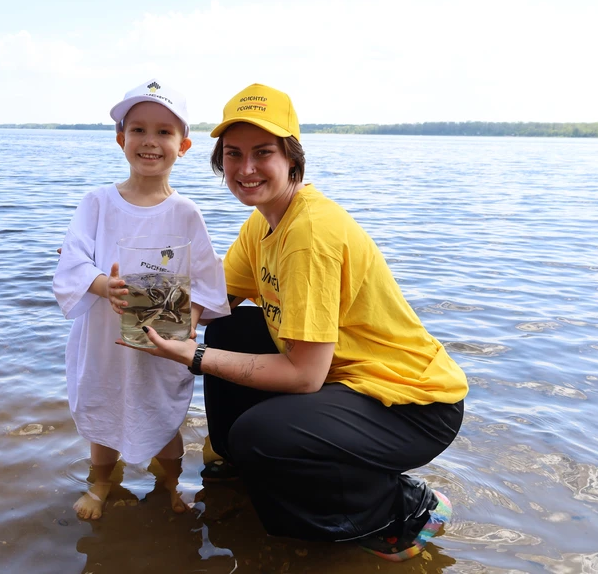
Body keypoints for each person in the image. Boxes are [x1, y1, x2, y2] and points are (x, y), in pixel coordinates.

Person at [120, 83, 468, 562]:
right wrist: (114, 288)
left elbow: (305, 377)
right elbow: (209, 301)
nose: (245, 169)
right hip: (348, 381)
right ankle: (255, 469)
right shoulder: (262, 223)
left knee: (258, 434)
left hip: (412, 405)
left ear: (291, 158)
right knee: (232, 328)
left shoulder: (309, 234)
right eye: (234, 154)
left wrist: (194, 355)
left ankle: (402, 511)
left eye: (263, 153)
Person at [53, 78, 230, 520]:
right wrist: (100, 285)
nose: (150, 142)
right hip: (103, 340)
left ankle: (170, 484)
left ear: (183, 145)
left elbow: (208, 280)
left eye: (164, 132)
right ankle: (100, 483)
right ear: (121, 139)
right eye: (138, 130)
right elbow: (72, 260)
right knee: (105, 411)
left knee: (162, 416)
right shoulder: (97, 203)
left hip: (159, 343)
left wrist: (190, 319)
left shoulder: (186, 213)